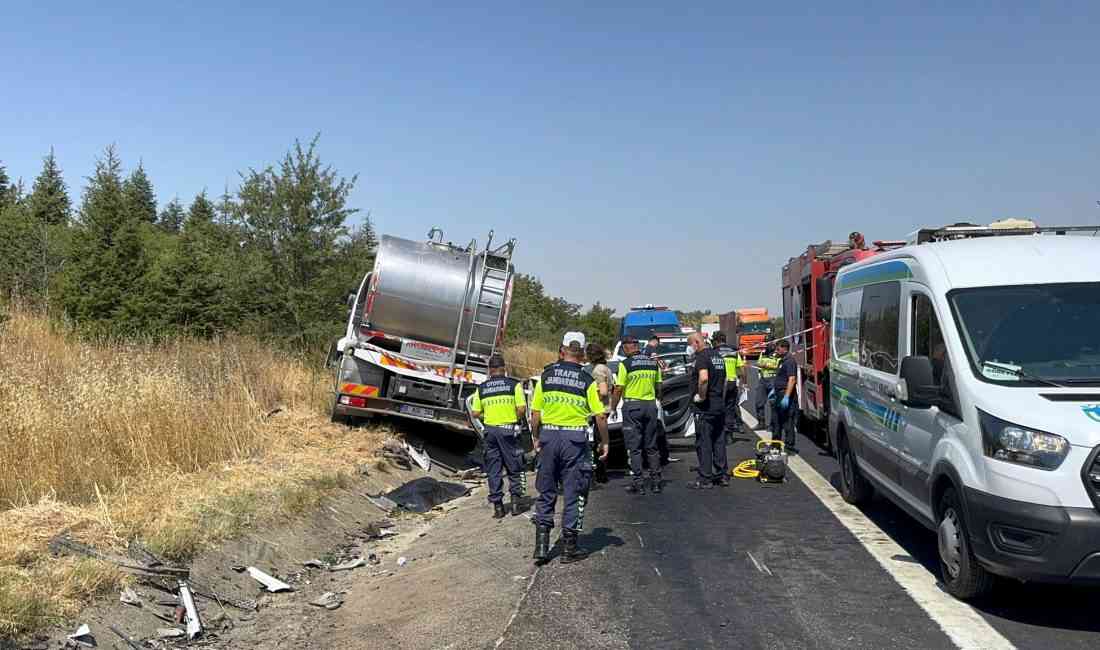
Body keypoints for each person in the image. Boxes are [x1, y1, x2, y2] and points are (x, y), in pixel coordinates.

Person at [529, 337, 609, 564]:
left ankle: (542, 549)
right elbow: (600, 415)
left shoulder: (546, 375)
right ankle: (569, 548)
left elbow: (535, 414)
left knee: (546, 490)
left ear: (562, 351)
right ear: (582, 354)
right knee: (574, 492)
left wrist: (536, 437)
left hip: (549, 437)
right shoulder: (586, 379)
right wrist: (605, 442)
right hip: (574, 440)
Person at [470, 354, 528, 518]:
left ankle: (498, 507)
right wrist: (514, 418)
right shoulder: (514, 385)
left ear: (490, 370)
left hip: (490, 432)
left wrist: (487, 417)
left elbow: (475, 412)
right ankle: (516, 504)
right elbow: (522, 408)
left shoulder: (481, 388)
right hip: (508, 430)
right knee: (514, 466)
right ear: (504, 368)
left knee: (494, 469)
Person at [609, 336, 663, 495]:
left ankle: (638, 483)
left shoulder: (625, 364)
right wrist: (658, 400)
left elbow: (618, 388)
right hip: (650, 406)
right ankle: (656, 482)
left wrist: (612, 408)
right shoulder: (653, 363)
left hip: (633, 407)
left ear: (626, 347)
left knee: (635, 448)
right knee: (652, 446)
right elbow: (659, 385)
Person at [685, 332, 727, 489]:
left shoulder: (702, 357)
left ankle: (705, 478)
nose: (690, 349)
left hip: (706, 408)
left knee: (704, 442)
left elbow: (703, 378)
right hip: (718, 405)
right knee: (719, 441)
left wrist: (701, 397)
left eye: (690, 345)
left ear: (696, 342)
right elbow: (724, 381)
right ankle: (722, 475)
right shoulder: (717, 356)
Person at [584, 342, 613, 484]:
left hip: (601, 408)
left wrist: (592, 399)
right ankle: (602, 472)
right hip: (607, 408)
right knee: (601, 439)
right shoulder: (606, 368)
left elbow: (602, 390)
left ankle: (601, 474)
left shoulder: (597, 370)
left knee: (599, 441)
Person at [711, 331, 745, 442]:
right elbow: (742, 369)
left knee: (718, 408)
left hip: (719, 384)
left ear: (716, 341)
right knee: (730, 408)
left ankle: (718, 433)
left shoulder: (714, 352)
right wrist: (743, 384)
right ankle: (729, 434)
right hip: (732, 383)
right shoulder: (734, 351)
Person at [771, 339, 799, 453]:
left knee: (787, 421)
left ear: (784, 348)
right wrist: (774, 390)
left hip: (785, 394)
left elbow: (792, 379)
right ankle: (776, 444)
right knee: (776, 421)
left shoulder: (790, 361)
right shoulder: (782, 360)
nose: (776, 351)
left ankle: (789, 446)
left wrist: (787, 396)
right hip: (779, 393)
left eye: (778, 349)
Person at [754, 343, 780, 430]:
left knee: (773, 403)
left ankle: (773, 424)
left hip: (773, 379)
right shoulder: (763, 353)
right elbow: (759, 363)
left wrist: (767, 365)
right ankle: (761, 423)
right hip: (763, 380)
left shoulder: (777, 354)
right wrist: (766, 365)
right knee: (758, 402)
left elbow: (778, 366)